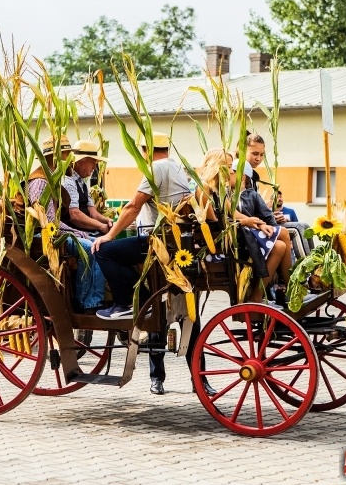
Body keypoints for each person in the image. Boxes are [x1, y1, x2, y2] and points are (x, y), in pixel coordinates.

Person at [91, 132, 214, 396]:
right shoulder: (178, 168)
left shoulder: (155, 168)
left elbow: (134, 206)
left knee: (105, 251)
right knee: (187, 318)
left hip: (156, 244)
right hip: (176, 246)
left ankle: (124, 304)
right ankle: (199, 380)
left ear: (146, 149)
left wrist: (109, 234)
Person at [27, 135, 106, 313]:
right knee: (90, 248)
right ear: (56, 158)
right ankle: (84, 302)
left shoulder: (53, 181)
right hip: (44, 236)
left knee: (95, 244)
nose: (70, 161)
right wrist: (79, 234)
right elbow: (48, 225)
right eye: (66, 156)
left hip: (52, 233)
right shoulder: (41, 183)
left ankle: (93, 299)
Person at [234, 160, 293, 305]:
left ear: (242, 176)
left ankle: (260, 294)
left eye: (231, 172)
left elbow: (266, 215)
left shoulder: (251, 195)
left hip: (254, 232)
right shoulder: (228, 196)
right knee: (284, 233)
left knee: (280, 245)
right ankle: (291, 287)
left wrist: (272, 230)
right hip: (243, 237)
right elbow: (231, 215)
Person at [62, 140, 114, 235]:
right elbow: (74, 215)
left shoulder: (82, 183)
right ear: (80, 161)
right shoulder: (68, 181)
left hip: (88, 233)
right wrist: (100, 226)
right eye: (93, 162)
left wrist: (108, 221)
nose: (94, 167)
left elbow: (93, 213)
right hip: (77, 235)